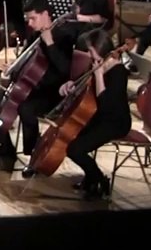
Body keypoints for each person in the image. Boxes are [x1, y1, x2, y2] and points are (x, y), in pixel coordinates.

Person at [23, 29, 131, 199]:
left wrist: (99, 76)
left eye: (92, 54)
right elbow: (85, 86)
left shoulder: (118, 73)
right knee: (71, 140)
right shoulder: (97, 65)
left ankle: (99, 180)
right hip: (97, 118)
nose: (89, 57)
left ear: (104, 52)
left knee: (75, 149)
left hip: (115, 123)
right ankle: (91, 179)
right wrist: (69, 85)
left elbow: (106, 105)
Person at [0, 0, 74, 158]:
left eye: (33, 19)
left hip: (51, 92)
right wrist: (14, 68)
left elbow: (65, 69)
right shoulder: (35, 35)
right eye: (28, 19)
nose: (30, 24)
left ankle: (34, 152)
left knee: (26, 108)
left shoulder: (64, 36)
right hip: (30, 87)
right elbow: (27, 64)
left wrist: (50, 44)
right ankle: (5, 147)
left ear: (46, 14)